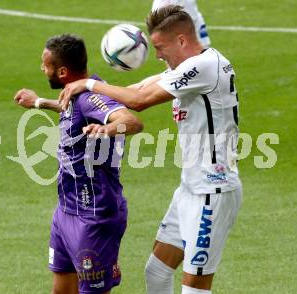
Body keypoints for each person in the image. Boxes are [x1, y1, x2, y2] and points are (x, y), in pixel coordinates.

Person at [58, 6, 242, 294]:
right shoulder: (186, 68)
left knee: (195, 289)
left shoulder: (205, 67)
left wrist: (89, 83)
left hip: (213, 192)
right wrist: (72, 98)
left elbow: (140, 99)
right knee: (156, 272)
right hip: (190, 189)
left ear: (181, 40)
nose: (156, 55)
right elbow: (133, 91)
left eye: (159, 48)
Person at [14, 34, 143, 294]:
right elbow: (70, 109)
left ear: (62, 71)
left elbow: (132, 122)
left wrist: (107, 130)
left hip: (93, 216)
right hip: (66, 210)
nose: (42, 68)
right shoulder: (77, 91)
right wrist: (38, 103)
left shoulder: (90, 96)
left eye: (45, 64)